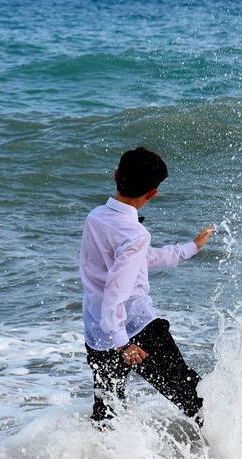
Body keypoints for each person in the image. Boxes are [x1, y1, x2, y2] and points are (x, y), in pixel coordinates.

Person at [80, 146, 215, 427]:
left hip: (96, 330)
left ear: (116, 175)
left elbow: (135, 261)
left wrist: (189, 248)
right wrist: (123, 342)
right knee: (193, 397)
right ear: (153, 193)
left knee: (107, 413)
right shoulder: (135, 233)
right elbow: (116, 290)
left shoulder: (95, 217)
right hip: (133, 330)